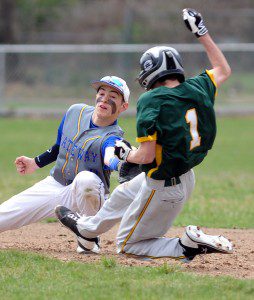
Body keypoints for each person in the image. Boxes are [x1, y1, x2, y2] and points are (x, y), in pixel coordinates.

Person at [55, 8, 233, 262]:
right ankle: (87, 229)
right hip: (184, 174)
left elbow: (146, 155)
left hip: (163, 183)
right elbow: (223, 69)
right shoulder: (197, 87)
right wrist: (200, 31)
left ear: (152, 71)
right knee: (123, 193)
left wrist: (127, 155)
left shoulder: (151, 100)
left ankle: (187, 244)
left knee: (128, 245)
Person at [0, 75, 130, 253]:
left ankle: (89, 236)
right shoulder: (74, 112)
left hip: (89, 196)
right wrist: (35, 163)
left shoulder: (113, 136)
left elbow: (110, 156)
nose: (105, 98)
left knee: (86, 180)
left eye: (113, 96)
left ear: (124, 107)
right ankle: (87, 236)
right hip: (56, 184)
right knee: (4, 215)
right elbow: (59, 147)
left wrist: (120, 164)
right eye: (101, 92)